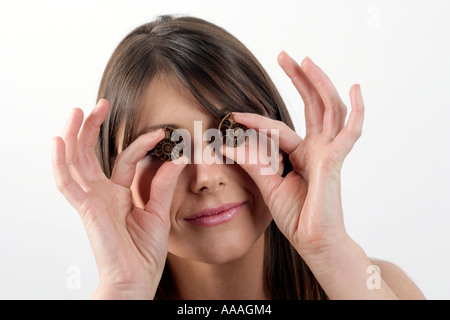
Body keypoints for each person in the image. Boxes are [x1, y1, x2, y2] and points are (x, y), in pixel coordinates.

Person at [51, 15, 425, 299]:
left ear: (280, 143)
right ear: (112, 173)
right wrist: (122, 288)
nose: (206, 177)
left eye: (234, 134)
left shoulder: (373, 285)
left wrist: (329, 249)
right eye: (165, 149)